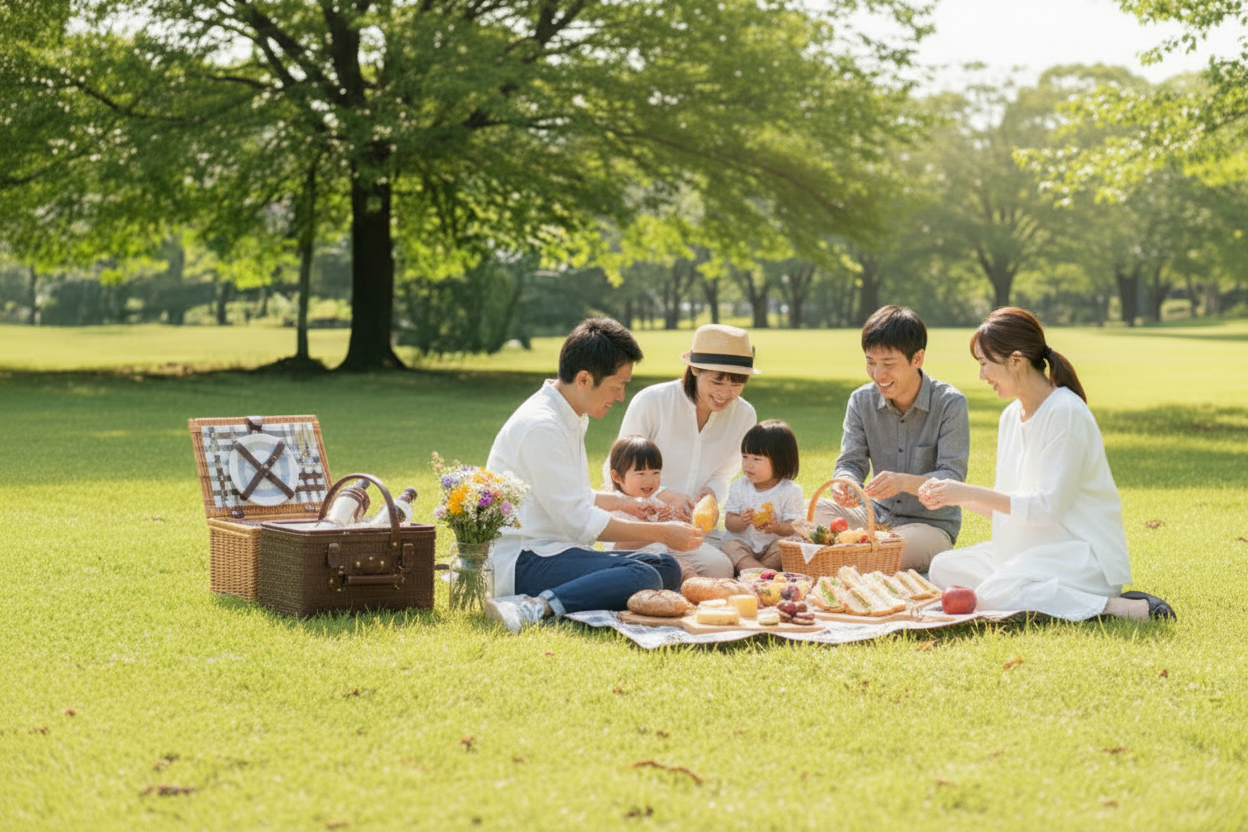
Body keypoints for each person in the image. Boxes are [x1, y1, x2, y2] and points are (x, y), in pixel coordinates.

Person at [918, 307, 1175, 621]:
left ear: (1016, 360)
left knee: (998, 592)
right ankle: (1043, 595)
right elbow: (1008, 505)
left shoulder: (1065, 412)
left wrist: (965, 491)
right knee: (943, 567)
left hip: (1077, 557)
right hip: (1024, 554)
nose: (982, 376)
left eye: (985, 364)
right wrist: (954, 497)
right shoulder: (1010, 416)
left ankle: (1122, 607)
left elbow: (1046, 508)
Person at [484, 318, 704, 633]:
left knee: (665, 567)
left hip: (554, 549)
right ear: (585, 378)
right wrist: (662, 533)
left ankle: (557, 598)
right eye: (618, 385)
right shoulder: (542, 426)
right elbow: (577, 519)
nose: (621, 396)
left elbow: (567, 495)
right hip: (525, 558)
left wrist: (623, 503)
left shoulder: (568, 415)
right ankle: (534, 605)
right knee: (644, 576)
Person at [814, 305, 970, 571]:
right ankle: (853, 556)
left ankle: (845, 558)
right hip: (873, 517)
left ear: (918, 358)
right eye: (870, 363)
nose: (878, 375)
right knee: (807, 517)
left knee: (887, 552)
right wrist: (847, 483)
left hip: (927, 526)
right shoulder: (861, 401)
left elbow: (952, 478)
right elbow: (851, 462)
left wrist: (903, 482)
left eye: (888, 364)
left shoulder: (949, 403)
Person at [604, 323, 759, 579]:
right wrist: (664, 495)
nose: (725, 393)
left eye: (737, 383)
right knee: (656, 567)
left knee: (721, 569)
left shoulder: (744, 415)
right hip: (638, 523)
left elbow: (724, 475)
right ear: (695, 369)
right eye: (717, 380)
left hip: (692, 529)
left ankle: (670, 571)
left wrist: (711, 494)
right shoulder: (653, 401)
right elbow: (614, 470)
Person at [719, 420, 806, 573]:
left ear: (780, 461)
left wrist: (777, 527)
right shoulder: (739, 486)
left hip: (771, 549)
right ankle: (764, 575)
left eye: (756, 459)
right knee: (729, 546)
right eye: (745, 456)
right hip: (744, 544)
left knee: (791, 544)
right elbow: (729, 523)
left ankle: (753, 573)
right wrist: (741, 521)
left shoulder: (790, 491)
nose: (748, 464)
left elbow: (793, 527)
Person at [602, 435, 675, 554]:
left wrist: (670, 520)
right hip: (630, 563)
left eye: (655, 472)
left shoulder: (654, 502)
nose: (649, 480)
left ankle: (690, 573)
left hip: (659, 558)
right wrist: (659, 530)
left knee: (683, 564)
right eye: (641, 474)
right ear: (617, 476)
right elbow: (619, 547)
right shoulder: (614, 508)